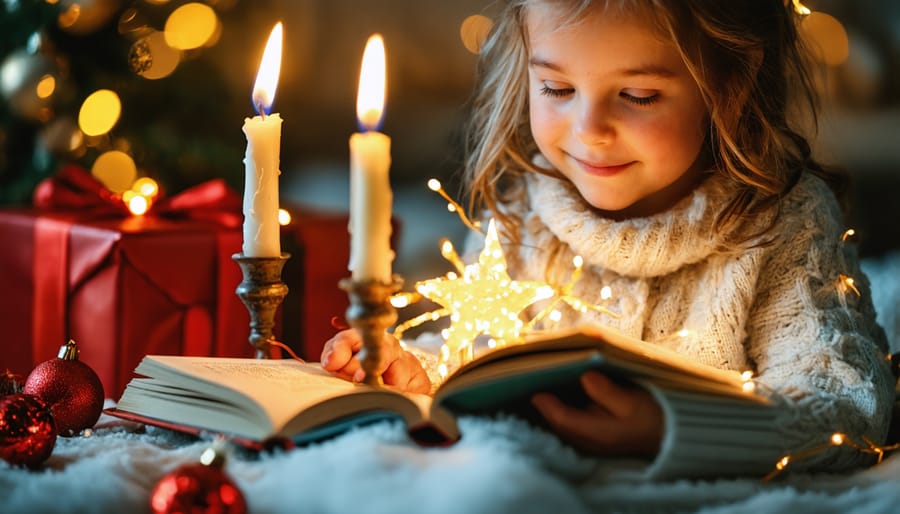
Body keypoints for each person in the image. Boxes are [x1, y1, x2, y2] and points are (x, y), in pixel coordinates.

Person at [322, 0, 896, 479]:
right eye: (556, 87)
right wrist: (414, 368)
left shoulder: (780, 223)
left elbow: (845, 406)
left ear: (729, 83)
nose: (588, 130)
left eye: (639, 95)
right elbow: (479, 361)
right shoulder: (524, 207)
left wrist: (671, 427)